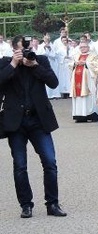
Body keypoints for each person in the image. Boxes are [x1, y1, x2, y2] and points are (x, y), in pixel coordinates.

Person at [0, 35, 66, 218]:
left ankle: (52, 203)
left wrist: (35, 65)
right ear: (14, 50)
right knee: (20, 166)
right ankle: (25, 205)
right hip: (16, 122)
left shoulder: (40, 60)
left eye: (28, 48)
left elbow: (54, 82)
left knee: (50, 162)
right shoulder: (5, 63)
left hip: (39, 121)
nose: (27, 52)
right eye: (22, 49)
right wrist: (13, 64)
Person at [68, 40, 98, 123]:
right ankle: (79, 115)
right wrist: (75, 63)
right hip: (76, 80)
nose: (83, 48)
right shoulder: (76, 55)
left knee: (89, 97)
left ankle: (91, 114)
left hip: (88, 81)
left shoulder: (93, 55)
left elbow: (97, 66)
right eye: (81, 47)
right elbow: (69, 64)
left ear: (88, 47)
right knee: (78, 97)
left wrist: (86, 63)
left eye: (84, 47)